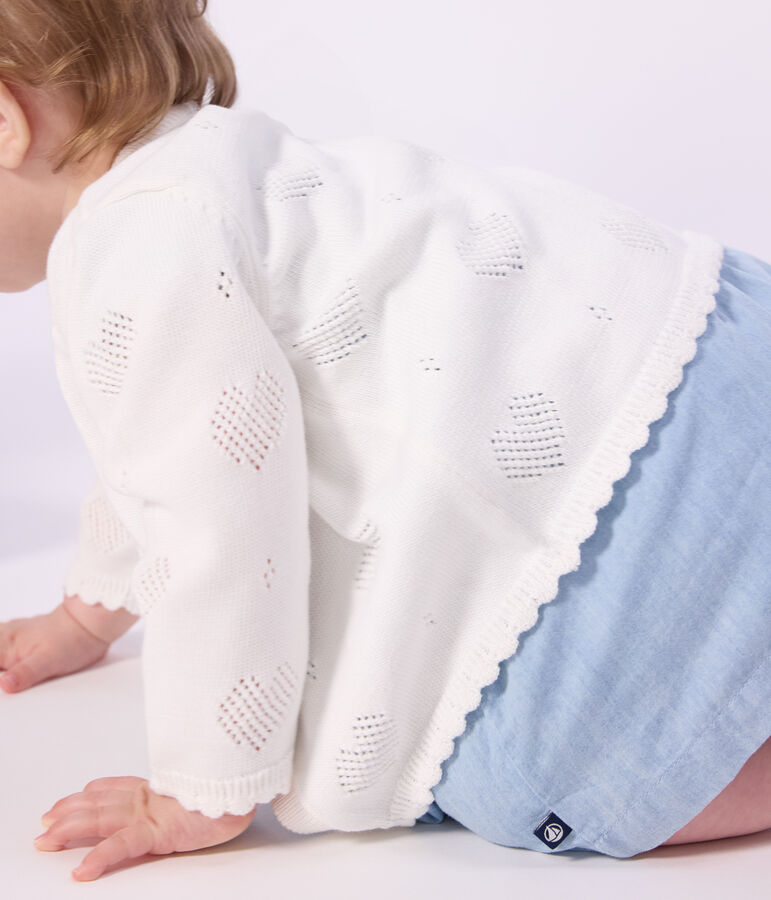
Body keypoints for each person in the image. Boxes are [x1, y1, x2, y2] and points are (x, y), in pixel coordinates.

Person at [0, 0, 769, 883]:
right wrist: (85, 614)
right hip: (707, 365)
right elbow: (157, 464)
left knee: (545, 767)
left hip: (629, 527)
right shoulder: (216, 161)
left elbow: (216, 532)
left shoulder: (126, 251)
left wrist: (201, 787)